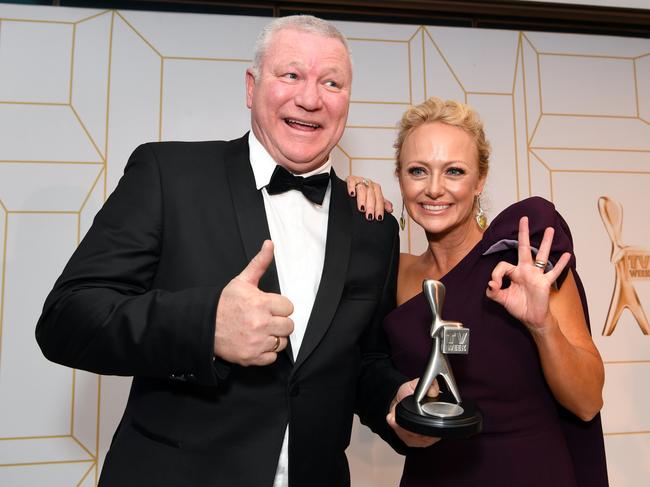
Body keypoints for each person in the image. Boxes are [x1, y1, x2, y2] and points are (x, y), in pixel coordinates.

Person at [35, 15, 431, 487]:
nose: (310, 97)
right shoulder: (168, 174)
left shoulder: (375, 227)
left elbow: (363, 362)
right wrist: (207, 326)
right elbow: (67, 318)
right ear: (251, 86)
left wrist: (397, 401)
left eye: (332, 82)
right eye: (291, 75)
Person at [349, 97, 608, 486]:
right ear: (399, 178)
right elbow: (364, 369)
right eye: (417, 171)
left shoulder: (523, 259)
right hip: (431, 474)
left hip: (530, 473)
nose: (434, 189)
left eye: (454, 171)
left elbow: (587, 403)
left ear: (480, 179)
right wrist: (347, 197)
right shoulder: (392, 271)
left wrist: (542, 326)